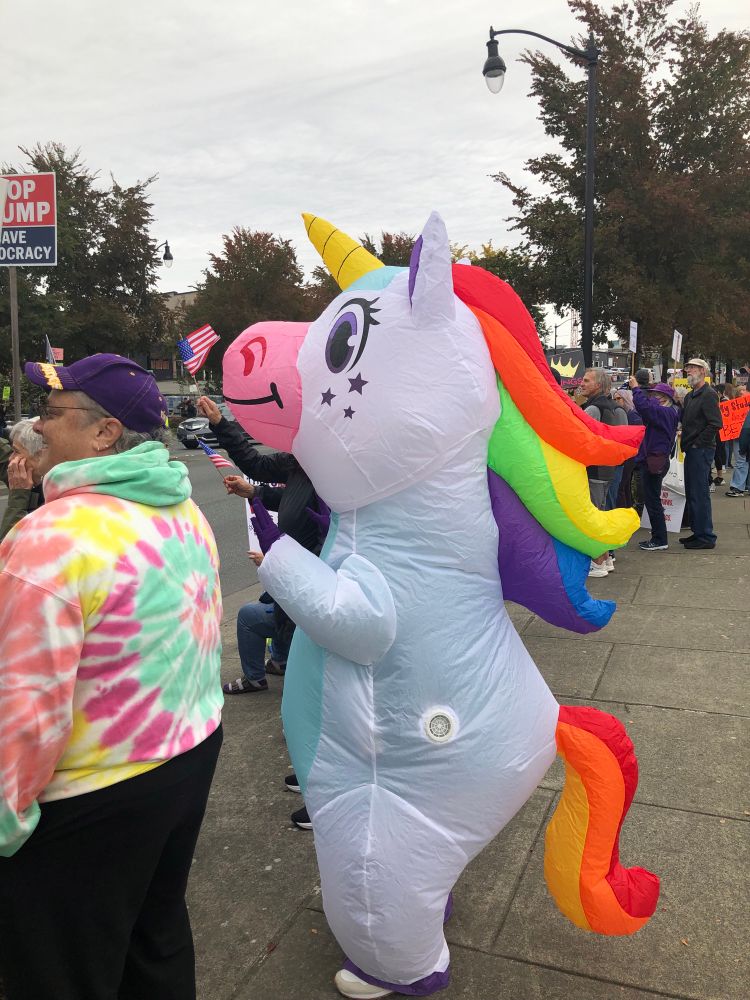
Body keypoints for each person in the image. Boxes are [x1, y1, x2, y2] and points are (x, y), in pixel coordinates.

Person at [0, 354, 224, 1000]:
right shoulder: (185, 513)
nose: (35, 427)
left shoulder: (50, 540)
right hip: (187, 758)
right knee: (155, 945)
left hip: (87, 801)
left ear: (104, 434)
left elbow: (23, 720)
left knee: (61, 971)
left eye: (50, 412)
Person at [197, 395, 323, 833]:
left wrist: (283, 558)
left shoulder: (337, 473)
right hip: (295, 596)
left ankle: (325, 793)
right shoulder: (303, 462)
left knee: (320, 700)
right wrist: (223, 426)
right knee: (301, 698)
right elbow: (263, 470)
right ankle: (313, 774)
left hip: (317, 597)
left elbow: (317, 524)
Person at [578, 368, 628, 576]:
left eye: (586, 380)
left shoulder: (592, 409)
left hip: (594, 469)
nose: (581, 383)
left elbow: (580, 437)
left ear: (598, 385)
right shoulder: (618, 409)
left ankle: (597, 562)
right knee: (604, 512)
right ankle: (606, 558)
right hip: (611, 468)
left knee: (594, 515)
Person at [629, 380, 680, 551]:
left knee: (652, 500)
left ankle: (659, 538)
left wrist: (636, 389)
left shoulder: (664, 412)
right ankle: (658, 537)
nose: (652, 398)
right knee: (652, 499)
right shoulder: (667, 412)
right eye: (651, 395)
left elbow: (645, 408)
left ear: (665, 398)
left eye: (656, 395)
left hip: (654, 460)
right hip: (654, 458)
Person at [679, 358, 722, 549]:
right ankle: (698, 532)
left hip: (701, 450)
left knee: (699, 493)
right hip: (692, 449)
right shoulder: (690, 396)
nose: (689, 371)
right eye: (688, 368)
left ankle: (705, 536)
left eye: (693, 368)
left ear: (703, 371)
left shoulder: (708, 394)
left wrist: (698, 444)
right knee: (692, 492)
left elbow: (715, 423)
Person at [0, 417, 45, 539]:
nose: (11, 458)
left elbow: (7, 549)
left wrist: (19, 496)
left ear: (40, 455)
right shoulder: (27, 476)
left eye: (15, 451)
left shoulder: (51, 498)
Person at [612, 388, 643, 509]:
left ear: (625, 398)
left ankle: (623, 511)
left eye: (618, 398)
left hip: (630, 454)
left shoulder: (632, 414)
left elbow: (636, 436)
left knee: (622, 485)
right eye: (614, 399)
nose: (616, 401)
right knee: (625, 486)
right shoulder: (622, 413)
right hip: (625, 453)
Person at [725, 403, 750, 497]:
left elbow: (746, 430)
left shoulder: (745, 411)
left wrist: (743, 449)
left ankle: (738, 488)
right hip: (741, 438)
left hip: (742, 440)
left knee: (741, 462)